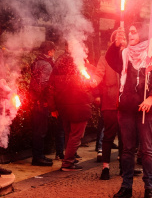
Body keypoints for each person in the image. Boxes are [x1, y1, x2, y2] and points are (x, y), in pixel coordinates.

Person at [105, 23, 152, 198]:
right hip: (126, 110)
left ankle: (149, 188)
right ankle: (126, 187)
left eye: (133, 32)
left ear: (142, 33)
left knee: (147, 150)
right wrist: (116, 44)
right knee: (126, 151)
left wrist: (151, 98)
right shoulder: (125, 54)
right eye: (129, 32)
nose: (130, 35)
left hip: (147, 111)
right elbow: (111, 59)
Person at [48, 41, 93, 171]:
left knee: (69, 134)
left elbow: (51, 86)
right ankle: (67, 163)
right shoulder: (78, 63)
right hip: (78, 104)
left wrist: (53, 107)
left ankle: (69, 160)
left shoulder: (59, 61)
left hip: (63, 104)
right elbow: (88, 83)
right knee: (76, 135)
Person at [91, 30, 123, 180]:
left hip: (125, 103)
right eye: (116, 39)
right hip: (110, 102)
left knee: (126, 137)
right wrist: (93, 82)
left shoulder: (129, 57)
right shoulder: (105, 59)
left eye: (122, 39)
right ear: (112, 42)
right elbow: (98, 74)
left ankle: (125, 166)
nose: (120, 42)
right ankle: (105, 167)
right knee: (109, 136)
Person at [29, 41, 56, 166]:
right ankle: (38, 157)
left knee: (37, 130)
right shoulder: (46, 65)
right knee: (41, 130)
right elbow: (44, 85)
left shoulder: (36, 62)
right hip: (41, 102)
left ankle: (38, 155)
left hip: (34, 101)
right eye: (53, 50)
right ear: (49, 51)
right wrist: (45, 101)